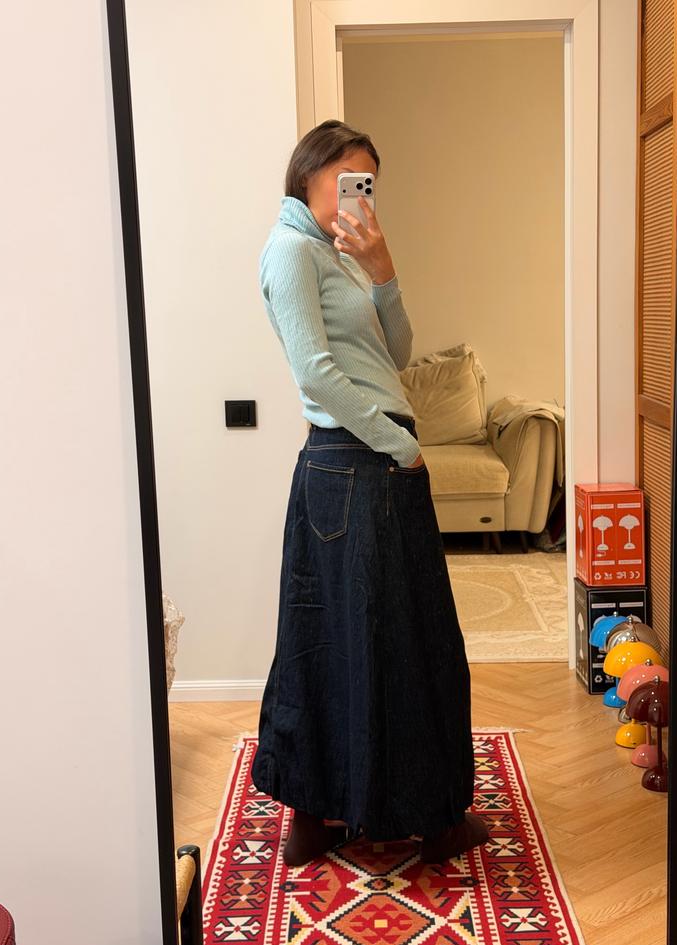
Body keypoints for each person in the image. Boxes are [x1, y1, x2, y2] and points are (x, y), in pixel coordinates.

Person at [250, 119, 490, 867]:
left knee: (357, 638)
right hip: (358, 464)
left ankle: (329, 814)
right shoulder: (290, 250)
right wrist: (402, 446)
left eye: (368, 184)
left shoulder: (339, 255)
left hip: (368, 466)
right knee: (388, 640)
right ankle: (417, 819)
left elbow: (398, 353)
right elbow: (315, 375)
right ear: (309, 174)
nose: (359, 194)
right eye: (347, 178)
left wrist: (383, 270)